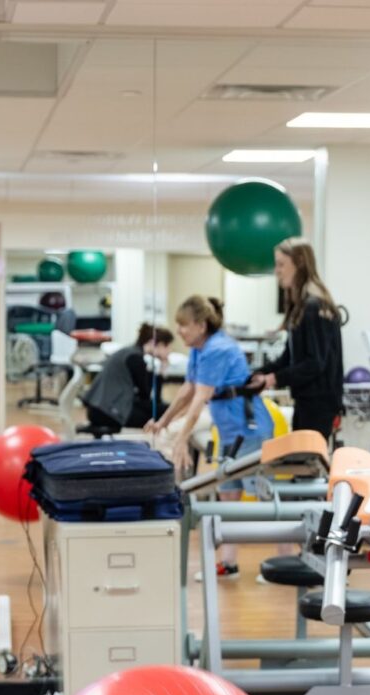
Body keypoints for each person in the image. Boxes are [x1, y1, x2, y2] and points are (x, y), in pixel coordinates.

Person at [146, 295, 273, 578]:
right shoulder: (199, 349)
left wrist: (182, 438)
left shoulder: (217, 349)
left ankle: (291, 561)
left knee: (267, 498)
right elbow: (187, 390)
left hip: (250, 430)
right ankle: (229, 564)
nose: (179, 331)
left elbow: (200, 399)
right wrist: (163, 422)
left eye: (184, 325)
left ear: (201, 325)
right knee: (227, 494)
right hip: (230, 432)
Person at [248, 237, 345, 441]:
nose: (277, 271)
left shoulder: (314, 306)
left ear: (300, 263)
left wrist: (273, 379)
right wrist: (260, 374)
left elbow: (314, 363)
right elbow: (289, 357)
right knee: (300, 461)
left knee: (307, 463)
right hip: (306, 400)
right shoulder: (300, 305)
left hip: (319, 403)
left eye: (282, 264)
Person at [83, 323, 172, 433]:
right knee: (164, 413)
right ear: (153, 343)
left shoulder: (130, 353)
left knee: (162, 409)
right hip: (106, 412)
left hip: (98, 409)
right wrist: (162, 369)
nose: (169, 351)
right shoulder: (135, 359)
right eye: (166, 346)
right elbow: (147, 396)